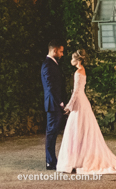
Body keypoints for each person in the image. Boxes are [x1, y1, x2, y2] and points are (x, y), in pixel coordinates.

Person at [56, 50, 116, 175]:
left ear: (77, 60)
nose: (71, 60)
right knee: (81, 129)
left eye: (73, 58)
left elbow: (76, 92)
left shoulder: (78, 72)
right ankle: (78, 159)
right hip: (83, 101)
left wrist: (69, 106)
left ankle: (75, 160)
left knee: (77, 129)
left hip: (79, 102)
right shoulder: (82, 70)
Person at [41, 39, 66, 170]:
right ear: (54, 50)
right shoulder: (47, 65)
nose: (62, 54)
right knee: (51, 133)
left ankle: (53, 160)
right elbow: (51, 87)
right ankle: (50, 162)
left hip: (55, 104)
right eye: (61, 51)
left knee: (54, 132)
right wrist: (61, 103)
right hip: (53, 104)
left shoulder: (52, 64)